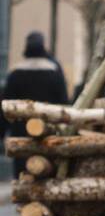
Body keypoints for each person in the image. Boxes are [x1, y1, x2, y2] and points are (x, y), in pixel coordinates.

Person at [1, 32, 69, 176]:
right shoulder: (54, 72)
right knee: (46, 170)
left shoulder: (15, 74)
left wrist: (2, 132)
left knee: (22, 174)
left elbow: (5, 108)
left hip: (20, 133)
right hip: (48, 133)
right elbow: (63, 103)